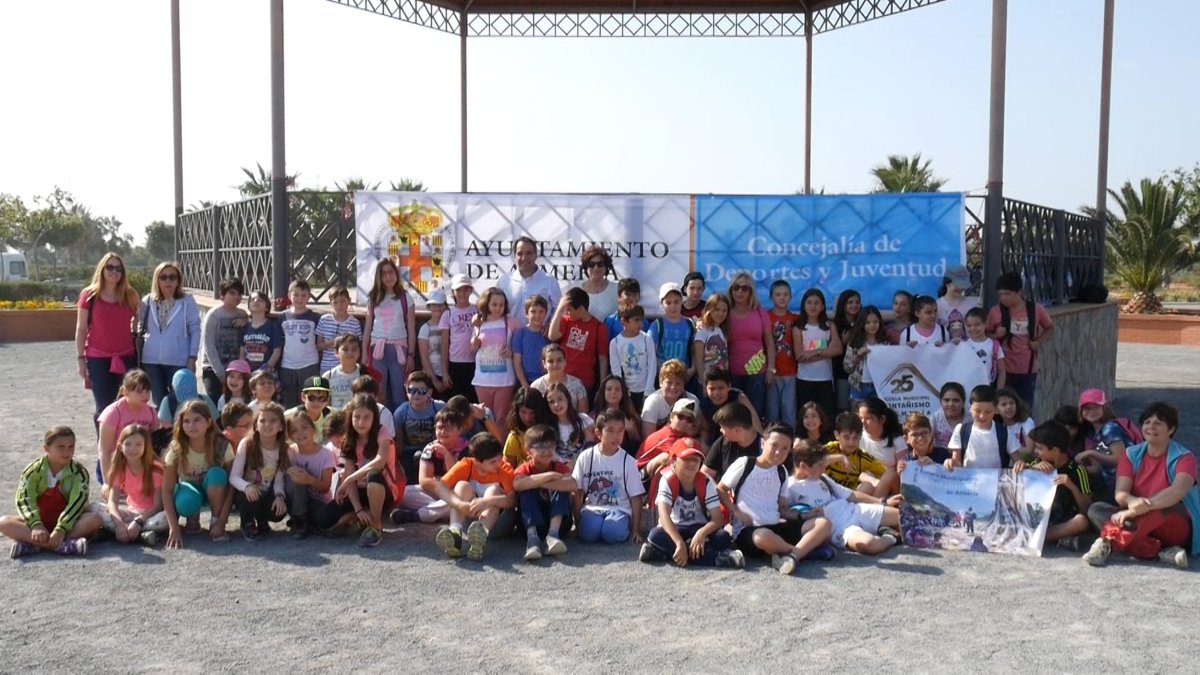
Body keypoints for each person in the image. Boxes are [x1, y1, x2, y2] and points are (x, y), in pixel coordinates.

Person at [1083, 402, 1198, 569]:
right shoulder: (1131, 454)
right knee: (1096, 510)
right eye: (1147, 422)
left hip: (1174, 522)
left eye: (1158, 423)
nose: (1151, 427)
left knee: (1161, 509)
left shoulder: (1185, 458)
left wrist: (1135, 510)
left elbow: (1176, 493)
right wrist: (1131, 501)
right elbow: (1120, 493)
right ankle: (1160, 552)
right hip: (1137, 518)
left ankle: (1108, 542)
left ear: (1171, 429)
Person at [717, 424, 833, 575]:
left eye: (785, 448)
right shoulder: (745, 464)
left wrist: (804, 516)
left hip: (776, 526)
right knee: (762, 536)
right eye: (774, 445)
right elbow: (720, 489)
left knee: (823, 523)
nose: (779, 452)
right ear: (762, 443)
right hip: (749, 531)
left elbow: (782, 509)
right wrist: (736, 511)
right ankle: (803, 552)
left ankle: (791, 556)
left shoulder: (781, 471)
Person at [640, 438, 744, 569]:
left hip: (699, 527)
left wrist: (701, 534)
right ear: (673, 461)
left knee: (722, 537)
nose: (691, 463)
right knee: (655, 535)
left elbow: (717, 519)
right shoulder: (667, 480)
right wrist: (679, 543)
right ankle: (716, 558)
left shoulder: (706, 482)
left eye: (695, 459)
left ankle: (663, 554)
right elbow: (664, 516)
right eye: (686, 459)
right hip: (675, 527)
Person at [1, 426, 101, 558]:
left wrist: (61, 529)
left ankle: (33, 544)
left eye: (71, 447)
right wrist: (36, 524)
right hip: (39, 521)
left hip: (68, 525)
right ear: (46, 448)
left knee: (95, 519)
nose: (67, 451)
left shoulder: (79, 472)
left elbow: (78, 502)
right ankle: (63, 546)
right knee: (3, 522)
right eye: (61, 446)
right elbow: (24, 499)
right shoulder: (33, 471)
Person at [788, 440, 903, 555]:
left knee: (904, 517)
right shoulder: (790, 488)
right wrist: (804, 516)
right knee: (869, 545)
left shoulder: (822, 477)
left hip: (854, 510)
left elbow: (851, 494)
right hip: (839, 528)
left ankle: (882, 528)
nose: (824, 469)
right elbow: (785, 514)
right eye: (820, 465)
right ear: (803, 466)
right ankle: (891, 537)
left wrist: (882, 502)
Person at [323, 395, 402, 547]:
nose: (361, 422)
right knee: (326, 520)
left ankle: (376, 526)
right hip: (360, 490)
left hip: (383, 490)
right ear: (350, 417)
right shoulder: (348, 439)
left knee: (373, 474)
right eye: (357, 417)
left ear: (374, 418)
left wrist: (348, 479)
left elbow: (379, 461)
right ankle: (361, 515)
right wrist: (358, 509)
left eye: (367, 417)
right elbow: (349, 473)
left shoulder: (381, 433)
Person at [75, 252, 141, 427]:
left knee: (127, 404)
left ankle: (124, 451)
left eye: (118, 268)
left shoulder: (130, 295)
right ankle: (103, 451)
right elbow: (81, 329)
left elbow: (140, 322)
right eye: (110, 267)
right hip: (98, 359)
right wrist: (80, 359)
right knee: (104, 407)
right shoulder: (89, 296)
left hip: (126, 357)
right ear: (102, 269)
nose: (114, 272)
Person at [432, 433, 517, 561]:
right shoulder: (467, 464)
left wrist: (487, 502)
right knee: (461, 486)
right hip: (470, 523)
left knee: (494, 490)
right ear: (477, 461)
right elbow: (440, 487)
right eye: (492, 462)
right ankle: (455, 534)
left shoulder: (504, 469)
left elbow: (512, 500)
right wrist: (459, 504)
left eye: (499, 459)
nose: (498, 464)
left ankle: (481, 535)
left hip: (498, 523)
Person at [161, 400, 234, 548]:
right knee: (185, 498)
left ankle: (215, 518)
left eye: (196, 420)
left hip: (215, 490)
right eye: (186, 421)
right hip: (191, 491)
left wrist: (221, 521)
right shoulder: (176, 449)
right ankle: (192, 519)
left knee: (217, 474)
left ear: (208, 422)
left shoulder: (222, 445)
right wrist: (174, 528)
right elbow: (167, 490)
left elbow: (231, 485)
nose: (191, 426)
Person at [573, 409, 646, 544]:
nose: (616, 436)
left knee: (612, 533)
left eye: (620, 431)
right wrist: (578, 525)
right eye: (610, 431)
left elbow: (636, 497)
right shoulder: (586, 457)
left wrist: (636, 529)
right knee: (589, 533)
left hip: (620, 509)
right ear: (598, 433)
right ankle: (594, 528)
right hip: (593, 508)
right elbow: (577, 492)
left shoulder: (628, 461)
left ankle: (615, 528)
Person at [1014, 421, 1091, 550]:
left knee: (1081, 522)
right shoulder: (1037, 462)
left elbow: (1086, 508)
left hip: (1060, 522)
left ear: (1055, 450)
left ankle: (1035, 538)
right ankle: (1058, 539)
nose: (1036, 452)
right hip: (1037, 519)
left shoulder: (1077, 470)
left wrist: (1071, 486)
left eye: (1040, 448)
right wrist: (1029, 468)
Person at [986, 271, 1054, 408]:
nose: (1003, 298)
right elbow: (985, 334)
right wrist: (995, 335)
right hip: (1003, 371)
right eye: (1000, 295)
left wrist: (1038, 342)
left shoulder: (1035, 309)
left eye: (1007, 294)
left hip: (1027, 370)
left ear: (1020, 292)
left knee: (1025, 409)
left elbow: (1050, 328)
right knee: (1001, 409)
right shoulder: (995, 311)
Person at [91, 424, 167, 546]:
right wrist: (119, 523)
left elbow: (158, 505)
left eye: (138, 444)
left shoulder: (154, 470)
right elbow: (112, 502)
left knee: (165, 519)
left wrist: (139, 521)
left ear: (145, 446)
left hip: (151, 515)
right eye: (128, 444)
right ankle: (137, 535)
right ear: (120, 447)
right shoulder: (119, 469)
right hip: (130, 512)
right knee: (94, 507)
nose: (133, 449)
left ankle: (120, 533)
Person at [139, 261, 201, 406]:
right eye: (163, 277)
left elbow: (195, 329)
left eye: (172, 277)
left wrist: (192, 357)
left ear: (178, 280)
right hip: (151, 360)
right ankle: (164, 428)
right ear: (157, 279)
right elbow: (140, 326)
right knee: (160, 402)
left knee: (181, 401)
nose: (168, 281)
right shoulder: (147, 301)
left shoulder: (187, 301)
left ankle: (179, 428)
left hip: (178, 360)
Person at [229, 402, 291, 541]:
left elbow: (279, 480)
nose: (267, 424)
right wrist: (247, 487)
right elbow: (234, 476)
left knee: (278, 512)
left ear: (281, 426)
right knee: (250, 497)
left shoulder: (283, 449)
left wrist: (280, 497)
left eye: (273, 420)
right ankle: (247, 523)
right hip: (245, 492)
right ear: (256, 425)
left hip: (265, 492)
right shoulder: (247, 444)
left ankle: (262, 520)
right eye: (262, 420)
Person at [397, 408, 470, 525]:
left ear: (460, 429)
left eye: (448, 428)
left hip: (459, 493)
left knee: (460, 499)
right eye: (440, 427)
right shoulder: (430, 448)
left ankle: (421, 515)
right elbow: (424, 481)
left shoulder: (467, 449)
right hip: (438, 493)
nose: (443, 432)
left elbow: (459, 480)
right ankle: (444, 512)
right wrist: (444, 490)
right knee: (403, 493)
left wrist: (446, 454)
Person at [513, 425, 576, 561]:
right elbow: (517, 484)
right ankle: (532, 539)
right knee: (526, 489)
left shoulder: (558, 466)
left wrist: (543, 482)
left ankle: (553, 536)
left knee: (562, 487)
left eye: (551, 446)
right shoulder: (524, 468)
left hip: (558, 524)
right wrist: (550, 475)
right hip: (529, 523)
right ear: (528, 450)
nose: (547, 451)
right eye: (540, 447)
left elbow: (572, 484)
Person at [362, 261, 416, 408]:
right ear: (379, 277)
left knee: (399, 393)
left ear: (396, 274)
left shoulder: (405, 297)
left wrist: (411, 355)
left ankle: (397, 429)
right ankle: (379, 427)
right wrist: (364, 354)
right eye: (384, 273)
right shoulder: (373, 298)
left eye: (391, 272)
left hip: (399, 351)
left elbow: (411, 330)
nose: (388, 277)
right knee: (379, 394)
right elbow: (367, 327)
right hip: (377, 350)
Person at [96, 369, 158, 489]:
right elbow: (104, 450)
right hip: (115, 461)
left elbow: (155, 444)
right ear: (126, 392)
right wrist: (107, 482)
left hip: (138, 459)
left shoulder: (150, 412)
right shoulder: (112, 413)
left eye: (147, 390)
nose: (145, 395)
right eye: (139, 391)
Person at [1075, 387, 1142, 497]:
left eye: (1096, 407)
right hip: (1110, 482)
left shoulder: (1110, 428)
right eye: (1087, 408)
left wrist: (1091, 453)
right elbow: (1097, 468)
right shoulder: (1092, 433)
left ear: (1104, 408)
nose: (1091, 412)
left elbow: (1120, 460)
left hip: (1127, 483)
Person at [725, 271, 773, 420]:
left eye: (745, 288)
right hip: (732, 371)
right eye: (736, 287)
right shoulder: (725, 311)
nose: (740, 291)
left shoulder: (759, 312)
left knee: (755, 413)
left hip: (756, 370)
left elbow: (770, 343)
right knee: (734, 415)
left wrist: (771, 369)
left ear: (751, 291)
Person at [471, 286, 518, 434]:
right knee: (485, 417)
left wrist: (511, 352)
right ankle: (487, 452)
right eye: (494, 304)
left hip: (504, 381)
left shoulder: (512, 322)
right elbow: (472, 348)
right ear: (487, 304)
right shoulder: (478, 322)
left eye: (501, 305)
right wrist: (474, 342)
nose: (498, 308)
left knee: (502, 419)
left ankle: (501, 452)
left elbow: (519, 349)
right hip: (482, 380)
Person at [548, 287, 608, 400]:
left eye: (569, 309)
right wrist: (559, 309)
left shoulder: (599, 327)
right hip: (562, 381)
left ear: (581, 309)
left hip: (584, 383)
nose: (567, 312)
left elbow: (603, 358)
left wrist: (602, 386)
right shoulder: (567, 320)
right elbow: (552, 336)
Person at [792, 287, 842, 420]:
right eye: (809, 302)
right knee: (806, 416)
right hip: (805, 379)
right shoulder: (798, 328)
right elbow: (800, 357)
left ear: (823, 306)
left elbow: (838, 350)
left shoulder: (829, 325)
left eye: (816, 303)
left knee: (826, 416)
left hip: (825, 379)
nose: (813, 306)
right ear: (803, 305)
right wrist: (827, 352)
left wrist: (815, 352)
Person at [284, 411, 335, 539]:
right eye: (294, 430)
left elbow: (325, 487)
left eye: (304, 427)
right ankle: (300, 522)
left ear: (313, 429)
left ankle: (307, 522)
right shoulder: (291, 451)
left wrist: (309, 480)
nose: (300, 433)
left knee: (326, 521)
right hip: (296, 498)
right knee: (295, 478)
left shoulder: (326, 454)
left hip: (318, 500)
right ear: (290, 436)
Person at [198, 277, 248, 402]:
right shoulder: (214, 315)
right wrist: (221, 374)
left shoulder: (242, 314)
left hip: (235, 369)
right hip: (213, 368)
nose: (236, 297)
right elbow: (209, 345)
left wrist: (246, 323)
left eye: (239, 293)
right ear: (222, 295)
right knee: (214, 403)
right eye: (232, 293)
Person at [393, 371, 447, 483]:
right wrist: (396, 461)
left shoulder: (439, 407)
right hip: (409, 451)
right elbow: (399, 441)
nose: (416, 395)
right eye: (412, 390)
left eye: (421, 391)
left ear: (430, 392)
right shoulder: (401, 412)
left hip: (435, 449)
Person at [822, 412, 892, 498]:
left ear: (860, 437)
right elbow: (810, 462)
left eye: (855, 438)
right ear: (837, 435)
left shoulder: (863, 457)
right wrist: (840, 457)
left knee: (868, 486)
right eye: (846, 437)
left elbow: (887, 474)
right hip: (824, 496)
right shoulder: (829, 449)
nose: (851, 442)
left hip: (846, 500)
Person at [946, 385, 1016, 470]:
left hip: (995, 481)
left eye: (988, 412)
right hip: (969, 481)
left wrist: (1020, 464)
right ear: (970, 407)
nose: (982, 416)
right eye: (977, 411)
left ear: (995, 410)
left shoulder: (1004, 432)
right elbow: (956, 462)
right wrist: (951, 463)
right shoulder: (961, 430)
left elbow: (1017, 460)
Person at [497, 236, 562, 325]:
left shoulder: (549, 281)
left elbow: (558, 310)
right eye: (520, 254)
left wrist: (550, 327)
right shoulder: (504, 281)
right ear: (514, 257)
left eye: (529, 253)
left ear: (535, 255)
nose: (524, 258)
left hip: (540, 337)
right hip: (510, 337)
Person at [636, 398, 701, 480]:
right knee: (668, 459)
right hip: (638, 475)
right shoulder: (665, 436)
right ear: (671, 417)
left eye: (689, 420)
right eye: (681, 417)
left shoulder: (685, 437)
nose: (684, 421)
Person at [609, 303, 656, 411]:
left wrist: (648, 392)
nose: (640, 324)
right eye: (636, 320)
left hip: (646, 390)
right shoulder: (615, 343)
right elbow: (616, 372)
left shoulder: (646, 339)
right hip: (627, 392)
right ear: (624, 321)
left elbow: (652, 365)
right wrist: (625, 395)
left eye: (641, 320)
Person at [648, 282, 695, 387]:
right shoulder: (657, 325)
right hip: (664, 377)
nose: (673, 306)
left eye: (676, 302)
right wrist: (662, 371)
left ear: (682, 301)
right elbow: (651, 353)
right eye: (668, 303)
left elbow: (694, 349)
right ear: (662, 304)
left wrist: (693, 369)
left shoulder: (689, 323)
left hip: (685, 377)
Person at [765, 280, 798, 428]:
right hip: (772, 372)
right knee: (772, 412)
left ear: (790, 297)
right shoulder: (765, 317)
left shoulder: (795, 319)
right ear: (771, 297)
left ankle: (789, 443)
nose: (782, 297)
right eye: (778, 294)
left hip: (791, 372)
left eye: (786, 294)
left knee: (789, 411)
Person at [702, 402, 763, 480]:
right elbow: (704, 475)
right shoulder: (723, 442)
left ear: (736, 430)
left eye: (723, 428)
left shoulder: (764, 448)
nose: (720, 430)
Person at [441, 273, 479, 402]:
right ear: (453, 292)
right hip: (455, 365)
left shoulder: (478, 310)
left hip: (475, 363)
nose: (462, 293)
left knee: (473, 402)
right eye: (458, 290)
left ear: (470, 290)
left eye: (465, 289)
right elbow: (445, 344)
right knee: (455, 403)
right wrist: (445, 372)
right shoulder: (448, 313)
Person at [641, 359, 702, 438]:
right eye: (669, 382)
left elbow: (701, 429)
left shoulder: (692, 400)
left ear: (684, 384)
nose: (673, 387)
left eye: (678, 383)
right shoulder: (652, 402)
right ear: (661, 382)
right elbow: (648, 437)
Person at [699, 367, 760, 445]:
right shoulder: (704, 404)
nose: (716, 393)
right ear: (705, 388)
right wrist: (703, 444)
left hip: (739, 442)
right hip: (716, 444)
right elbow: (704, 429)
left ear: (729, 386)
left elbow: (756, 425)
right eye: (712, 389)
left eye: (720, 388)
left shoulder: (739, 398)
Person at [315, 285, 363, 375]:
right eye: (335, 302)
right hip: (327, 367)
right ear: (331, 303)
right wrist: (331, 342)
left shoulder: (355, 323)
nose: (339, 305)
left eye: (343, 301)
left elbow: (358, 347)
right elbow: (318, 346)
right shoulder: (324, 320)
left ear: (349, 301)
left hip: (348, 367)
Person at [857, 398, 908, 482]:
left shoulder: (897, 441)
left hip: (890, 484)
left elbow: (903, 472)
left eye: (868, 418)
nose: (863, 422)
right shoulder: (859, 438)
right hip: (867, 482)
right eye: (861, 418)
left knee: (890, 474)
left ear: (882, 419)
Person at [531, 343, 589, 413]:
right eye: (551, 361)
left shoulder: (577, 384)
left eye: (559, 360)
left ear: (565, 362)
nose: (555, 364)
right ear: (544, 364)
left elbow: (584, 414)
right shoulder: (536, 387)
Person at [843, 306, 884, 403]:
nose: (872, 325)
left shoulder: (884, 342)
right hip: (859, 386)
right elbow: (847, 368)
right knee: (859, 416)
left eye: (875, 322)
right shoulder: (854, 343)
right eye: (868, 322)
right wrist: (857, 357)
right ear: (862, 324)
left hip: (878, 386)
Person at [547, 382, 594, 468]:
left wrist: (577, 462)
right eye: (551, 402)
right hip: (561, 470)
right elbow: (551, 454)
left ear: (568, 398)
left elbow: (592, 445)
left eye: (560, 399)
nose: (556, 404)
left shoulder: (583, 419)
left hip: (585, 466)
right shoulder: (548, 428)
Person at [831, 289, 861, 411]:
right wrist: (842, 343)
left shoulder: (863, 323)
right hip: (841, 373)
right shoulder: (835, 324)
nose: (854, 305)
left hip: (859, 374)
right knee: (842, 406)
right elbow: (832, 350)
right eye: (850, 302)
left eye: (857, 302)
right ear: (843, 304)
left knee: (857, 407)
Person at [417, 287, 451, 396]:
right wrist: (435, 381)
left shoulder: (451, 326)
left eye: (441, 304)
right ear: (429, 306)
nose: (438, 308)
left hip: (449, 374)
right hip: (431, 376)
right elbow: (424, 358)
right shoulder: (425, 328)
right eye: (434, 305)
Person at [692, 292, 730, 388]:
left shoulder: (721, 331)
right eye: (717, 310)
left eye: (724, 310)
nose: (721, 313)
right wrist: (704, 382)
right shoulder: (702, 330)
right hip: (707, 384)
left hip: (721, 382)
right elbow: (698, 360)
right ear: (709, 309)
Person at [511, 294, 549, 389]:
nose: (537, 315)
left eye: (541, 312)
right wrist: (524, 383)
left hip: (545, 381)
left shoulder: (548, 334)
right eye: (533, 311)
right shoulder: (520, 333)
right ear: (526, 314)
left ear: (546, 313)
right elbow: (517, 362)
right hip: (525, 381)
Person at [239, 291, 282, 375]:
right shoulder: (245, 327)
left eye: (260, 300)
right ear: (249, 306)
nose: (255, 301)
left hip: (267, 373)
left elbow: (277, 352)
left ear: (266, 307)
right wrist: (244, 371)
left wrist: (265, 369)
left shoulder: (272, 326)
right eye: (252, 299)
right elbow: (242, 353)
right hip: (248, 373)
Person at [963, 307, 1005, 388]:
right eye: (969, 325)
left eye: (977, 325)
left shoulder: (994, 346)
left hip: (987, 389)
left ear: (985, 324)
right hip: (968, 388)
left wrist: (999, 392)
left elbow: (1001, 372)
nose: (973, 328)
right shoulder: (963, 345)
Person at [323, 333, 364, 411]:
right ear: (336, 353)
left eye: (354, 349)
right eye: (345, 349)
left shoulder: (365, 373)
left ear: (359, 352)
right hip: (336, 419)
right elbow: (325, 405)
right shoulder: (328, 376)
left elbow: (378, 397)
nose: (350, 352)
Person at [937, 265, 978, 343]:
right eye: (957, 285)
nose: (960, 289)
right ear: (947, 283)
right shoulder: (937, 305)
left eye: (963, 285)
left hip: (968, 349)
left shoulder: (972, 304)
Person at [287, 376, 333, 445]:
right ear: (303, 396)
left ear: (328, 399)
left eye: (322, 398)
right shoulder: (288, 416)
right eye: (312, 398)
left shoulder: (333, 415)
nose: (316, 402)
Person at [579, 244, 619, 324]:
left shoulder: (617, 289)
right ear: (586, 268)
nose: (596, 268)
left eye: (600, 264)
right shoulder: (577, 291)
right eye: (591, 265)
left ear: (606, 267)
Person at [996, 387, 1035, 459]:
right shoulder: (996, 428)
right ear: (996, 410)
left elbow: (1029, 450)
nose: (1009, 406)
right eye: (1004, 404)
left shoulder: (1027, 422)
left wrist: (1007, 450)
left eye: (1012, 403)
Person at [603, 278, 641, 347]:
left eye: (635, 294)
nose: (632, 298)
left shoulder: (644, 322)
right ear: (619, 296)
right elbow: (605, 349)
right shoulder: (610, 321)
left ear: (639, 297)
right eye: (628, 294)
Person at [931, 382, 966, 449]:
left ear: (963, 402)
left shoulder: (972, 418)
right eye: (946, 400)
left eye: (956, 400)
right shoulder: (934, 419)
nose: (951, 404)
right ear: (941, 402)